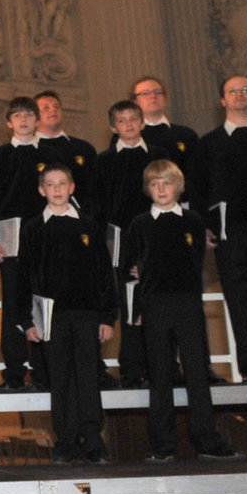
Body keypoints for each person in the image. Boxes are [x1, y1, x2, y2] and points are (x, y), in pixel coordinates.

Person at [122, 160, 244, 462]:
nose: (161, 189)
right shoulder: (139, 224)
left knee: (197, 373)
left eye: (167, 183)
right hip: (154, 307)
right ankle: (163, 445)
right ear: (147, 189)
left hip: (188, 304)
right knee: (160, 375)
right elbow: (130, 270)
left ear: (178, 186)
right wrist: (137, 309)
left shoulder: (192, 220)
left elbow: (194, 263)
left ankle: (206, 439)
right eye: (154, 184)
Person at [18, 164, 116, 464]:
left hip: (86, 313)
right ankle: (66, 440)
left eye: (63, 183)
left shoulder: (89, 225)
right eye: (50, 184)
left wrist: (107, 317)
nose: (57, 189)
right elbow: (24, 277)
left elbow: (104, 274)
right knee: (59, 377)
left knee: (88, 375)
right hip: (51, 317)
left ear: (72, 187)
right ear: (41, 190)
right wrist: (27, 320)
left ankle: (92, 437)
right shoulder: (34, 228)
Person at [194, 74, 247, 383]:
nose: (240, 95)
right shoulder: (209, 143)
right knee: (241, 303)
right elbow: (199, 190)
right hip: (233, 235)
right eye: (233, 91)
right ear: (223, 100)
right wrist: (204, 227)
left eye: (246, 90)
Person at [0, 97, 49, 389]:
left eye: (28, 115)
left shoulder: (51, 153)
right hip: (10, 238)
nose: (23, 120)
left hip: (45, 237)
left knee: (43, 299)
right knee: (12, 304)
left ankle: (45, 368)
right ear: (9, 122)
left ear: (37, 120)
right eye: (17, 116)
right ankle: (13, 372)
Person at [98, 100, 155, 387]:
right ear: (113, 127)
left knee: (156, 302)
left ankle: (162, 365)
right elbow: (100, 206)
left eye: (134, 119)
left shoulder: (158, 156)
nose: (129, 124)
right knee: (127, 301)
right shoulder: (104, 161)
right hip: (119, 239)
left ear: (143, 122)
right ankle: (131, 367)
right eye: (122, 120)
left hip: (155, 239)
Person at [34, 90, 100, 219]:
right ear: (34, 116)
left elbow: (96, 190)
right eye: (46, 108)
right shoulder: (28, 151)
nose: (52, 110)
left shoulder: (84, 148)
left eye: (56, 107)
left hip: (82, 221)